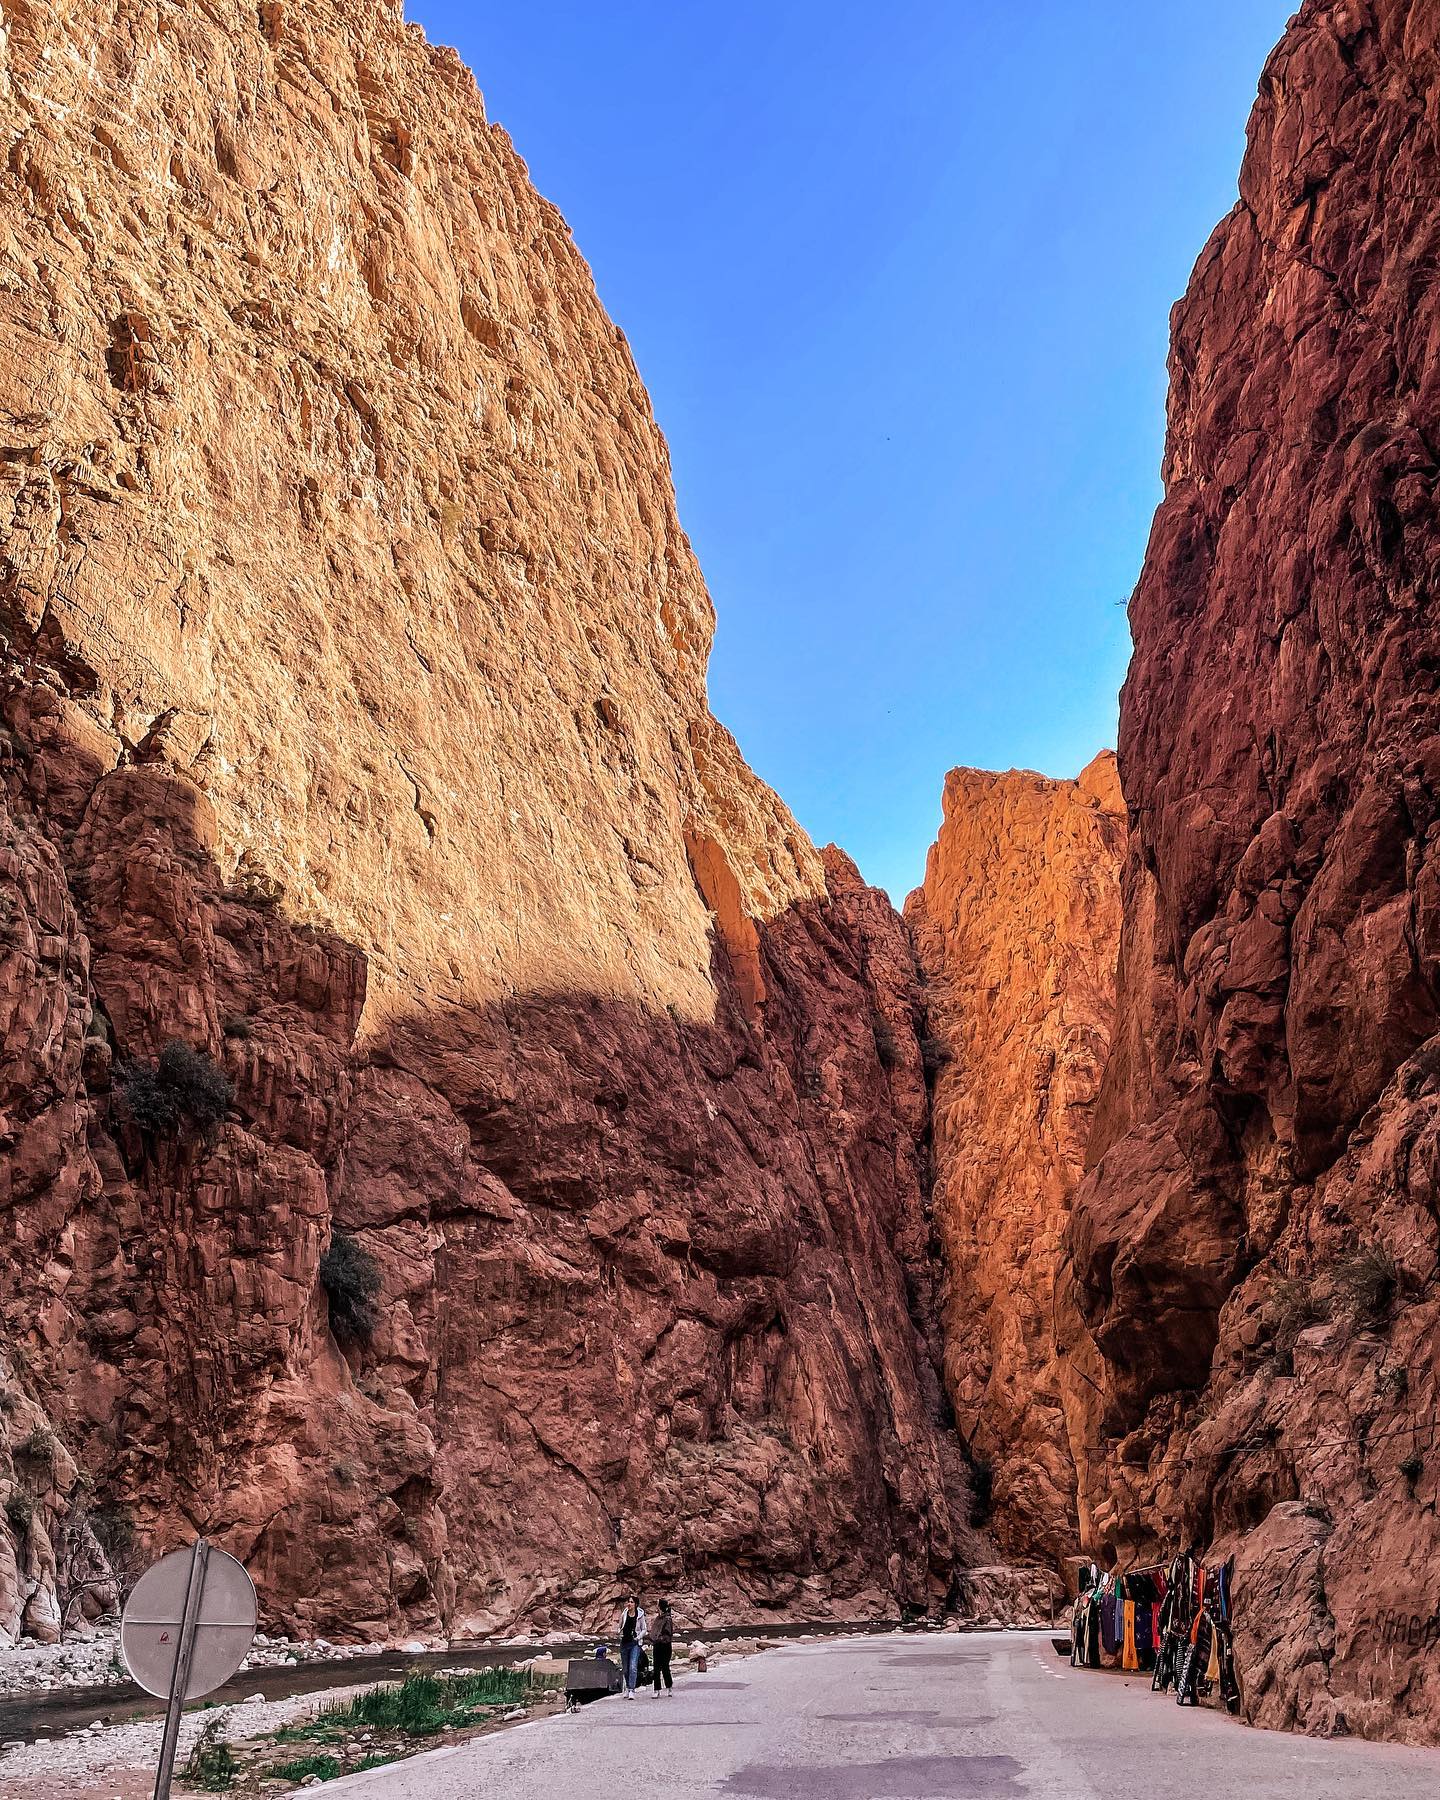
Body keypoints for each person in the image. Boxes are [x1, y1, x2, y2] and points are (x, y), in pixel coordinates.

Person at [618, 1595, 647, 1698]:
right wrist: (619, 1633)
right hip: (624, 1643)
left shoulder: (640, 1615)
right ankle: (627, 1687)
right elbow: (620, 1625)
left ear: (635, 1604)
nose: (629, 1604)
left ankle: (631, 1690)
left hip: (634, 1643)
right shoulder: (624, 1614)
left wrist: (638, 1637)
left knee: (633, 1667)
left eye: (631, 1602)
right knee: (625, 1669)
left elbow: (644, 1629)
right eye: (628, 1602)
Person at [651, 1597, 674, 1695]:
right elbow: (654, 1630)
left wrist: (660, 1638)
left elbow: (668, 1633)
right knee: (656, 1667)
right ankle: (657, 1689)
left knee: (665, 1667)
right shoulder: (657, 1618)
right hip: (657, 1645)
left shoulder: (667, 1619)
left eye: (657, 1604)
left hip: (665, 1646)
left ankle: (669, 1686)